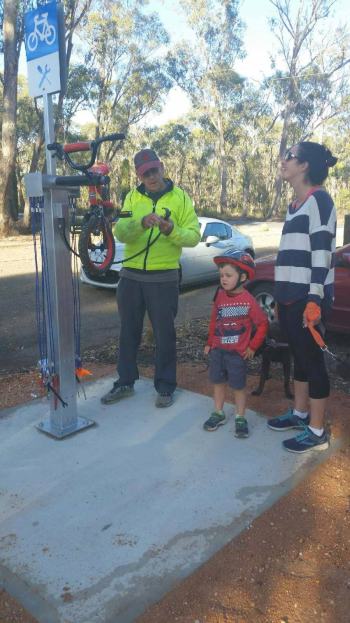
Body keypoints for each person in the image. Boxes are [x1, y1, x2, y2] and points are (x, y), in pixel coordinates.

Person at [101, 148, 200, 408]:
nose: (152, 177)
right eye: (146, 174)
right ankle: (125, 382)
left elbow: (193, 236)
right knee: (128, 332)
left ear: (162, 168)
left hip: (163, 278)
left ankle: (165, 387)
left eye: (155, 171)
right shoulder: (132, 197)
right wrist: (141, 222)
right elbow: (121, 231)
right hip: (131, 277)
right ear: (139, 175)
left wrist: (170, 230)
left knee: (164, 335)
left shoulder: (181, 198)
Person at [267, 141, 338, 453]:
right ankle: (299, 413)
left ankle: (317, 429)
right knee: (298, 356)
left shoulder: (320, 201)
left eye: (290, 157)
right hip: (288, 296)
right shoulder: (294, 205)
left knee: (312, 361)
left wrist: (314, 300)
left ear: (305, 165)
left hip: (308, 297)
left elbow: (322, 255)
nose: (284, 161)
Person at [203, 250, 269, 438]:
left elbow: (263, 324)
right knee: (218, 382)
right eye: (221, 275)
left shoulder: (248, 301)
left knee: (238, 386)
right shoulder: (220, 296)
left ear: (243, 276)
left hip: (237, 354)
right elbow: (214, 321)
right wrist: (210, 343)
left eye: (228, 275)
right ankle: (218, 412)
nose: (223, 279)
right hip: (218, 351)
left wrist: (253, 347)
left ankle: (240, 416)